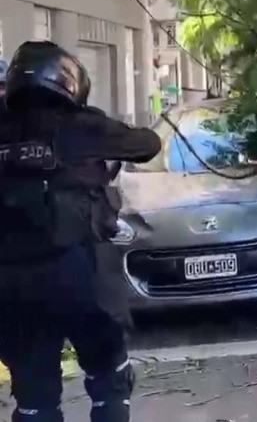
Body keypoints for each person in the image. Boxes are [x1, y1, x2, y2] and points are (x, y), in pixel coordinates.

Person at [0, 40, 162, 422]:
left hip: (11, 283)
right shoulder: (81, 125)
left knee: (33, 395)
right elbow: (147, 144)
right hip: (78, 274)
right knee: (109, 378)